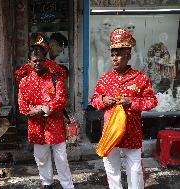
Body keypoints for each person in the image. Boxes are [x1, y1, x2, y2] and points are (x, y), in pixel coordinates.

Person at [90, 28, 157, 189]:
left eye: (119, 54)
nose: (115, 58)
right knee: (111, 167)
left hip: (132, 131)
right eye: (113, 54)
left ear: (129, 55)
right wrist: (104, 100)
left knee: (134, 170)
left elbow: (151, 101)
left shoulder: (140, 78)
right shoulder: (105, 79)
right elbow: (94, 100)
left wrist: (131, 102)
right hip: (110, 130)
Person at [17, 34, 75, 189]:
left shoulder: (55, 77)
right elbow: (22, 106)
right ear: (29, 62)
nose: (38, 64)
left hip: (55, 124)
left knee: (61, 158)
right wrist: (33, 111)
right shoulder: (24, 82)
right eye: (34, 61)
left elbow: (61, 100)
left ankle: (67, 185)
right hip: (36, 127)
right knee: (41, 157)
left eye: (41, 60)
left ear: (46, 60)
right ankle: (47, 183)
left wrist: (43, 109)